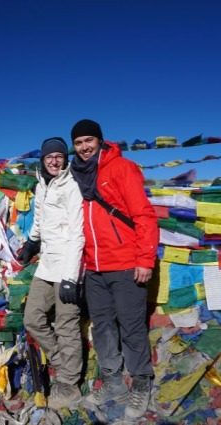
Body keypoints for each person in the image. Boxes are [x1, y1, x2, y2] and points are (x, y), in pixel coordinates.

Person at [69, 119, 159, 421]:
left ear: (99, 140)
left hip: (125, 264)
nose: (84, 147)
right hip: (93, 268)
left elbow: (144, 215)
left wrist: (145, 259)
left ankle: (141, 381)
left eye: (88, 140)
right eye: (78, 142)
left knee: (131, 326)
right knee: (103, 327)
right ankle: (113, 382)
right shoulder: (75, 175)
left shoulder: (122, 168)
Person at [20, 137, 85, 410]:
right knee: (32, 317)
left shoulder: (72, 185)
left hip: (68, 265)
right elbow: (39, 219)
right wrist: (31, 242)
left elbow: (78, 233)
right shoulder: (41, 185)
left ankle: (70, 385)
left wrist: (71, 278)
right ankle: (62, 363)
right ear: (43, 160)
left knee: (67, 325)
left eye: (59, 156)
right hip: (47, 263)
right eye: (49, 157)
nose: (54, 161)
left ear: (65, 159)